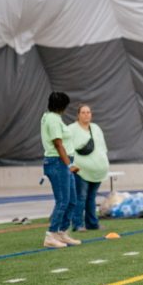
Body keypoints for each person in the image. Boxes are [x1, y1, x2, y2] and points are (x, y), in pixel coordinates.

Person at [41, 92, 81, 248]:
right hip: (58, 163)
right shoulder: (52, 120)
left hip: (62, 163)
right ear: (63, 106)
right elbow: (58, 144)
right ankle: (50, 235)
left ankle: (62, 232)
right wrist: (69, 165)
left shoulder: (53, 118)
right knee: (63, 201)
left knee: (72, 201)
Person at [67, 105, 109, 231]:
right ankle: (77, 224)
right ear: (78, 115)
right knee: (81, 197)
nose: (86, 115)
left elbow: (102, 147)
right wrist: (70, 164)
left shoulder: (96, 128)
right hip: (80, 170)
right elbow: (66, 147)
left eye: (88, 112)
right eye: (83, 112)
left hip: (97, 170)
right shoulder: (71, 129)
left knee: (91, 197)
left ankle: (92, 223)